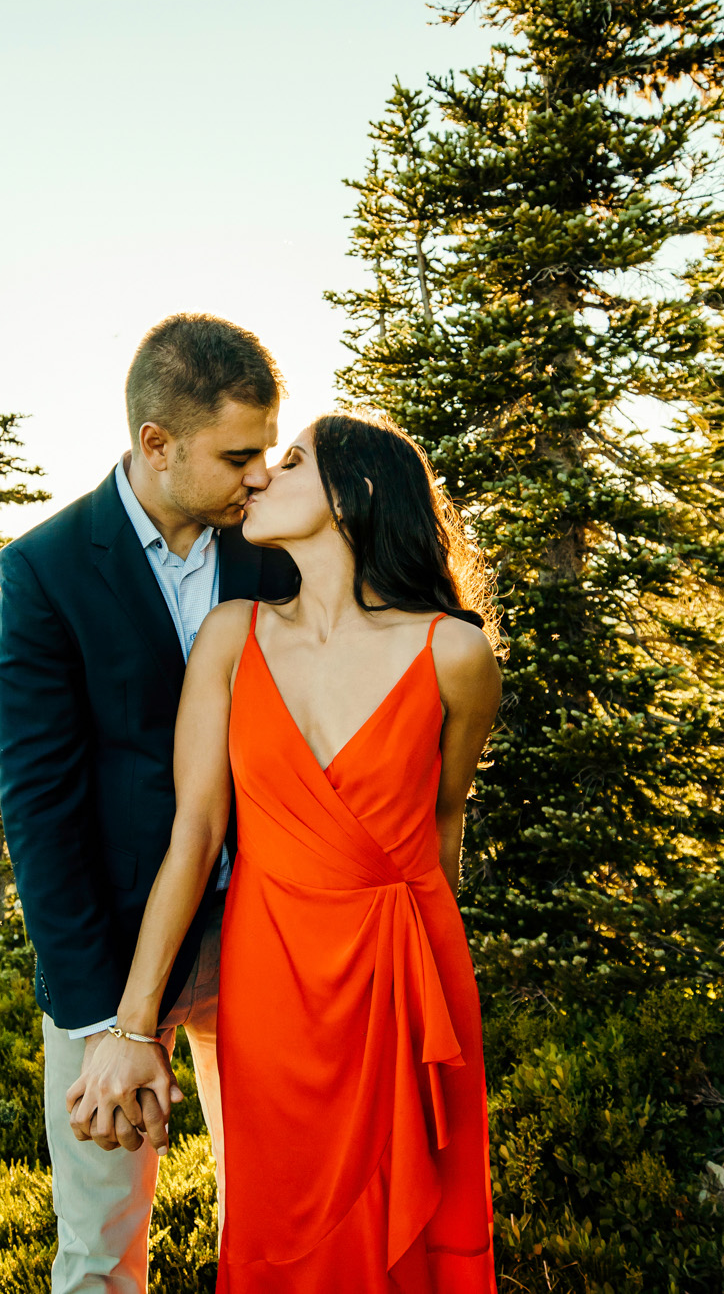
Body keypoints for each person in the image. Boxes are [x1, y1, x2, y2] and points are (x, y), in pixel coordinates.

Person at [70, 408, 502, 1292]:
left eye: (293, 459)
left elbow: (445, 817)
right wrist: (133, 1021)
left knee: (408, 1226)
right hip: (271, 981)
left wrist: (432, 995)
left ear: (355, 495)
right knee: (282, 1216)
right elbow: (195, 833)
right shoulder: (233, 634)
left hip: (405, 974)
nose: (261, 475)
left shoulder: (455, 651)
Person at [0, 312, 300, 1293]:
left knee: (273, 1210)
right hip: (113, 956)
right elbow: (38, 808)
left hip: (259, 936)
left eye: (267, 452)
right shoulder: (43, 571)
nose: (259, 478)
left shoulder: (270, 549)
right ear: (155, 445)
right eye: (237, 455)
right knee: (100, 1240)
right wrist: (97, 1021)